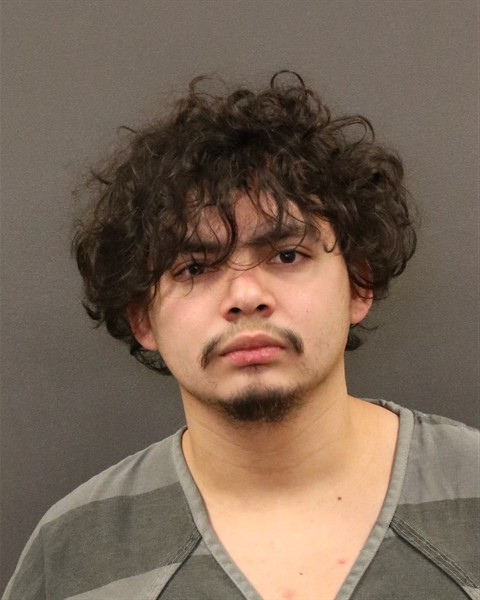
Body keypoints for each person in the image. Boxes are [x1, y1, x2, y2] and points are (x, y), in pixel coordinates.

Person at [4, 72, 478, 600]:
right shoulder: (72, 552)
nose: (246, 295)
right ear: (143, 319)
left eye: (287, 255)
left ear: (358, 285)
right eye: (194, 268)